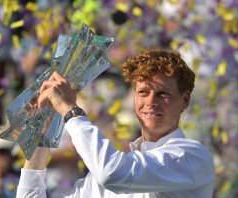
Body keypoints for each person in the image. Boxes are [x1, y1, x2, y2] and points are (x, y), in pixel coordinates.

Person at [16, 48, 215, 197]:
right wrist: (44, 129)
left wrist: (70, 109)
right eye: (143, 92)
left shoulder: (192, 156)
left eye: (163, 94)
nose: (151, 102)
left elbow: (112, 174)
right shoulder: (113, 168)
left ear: (185, 100)